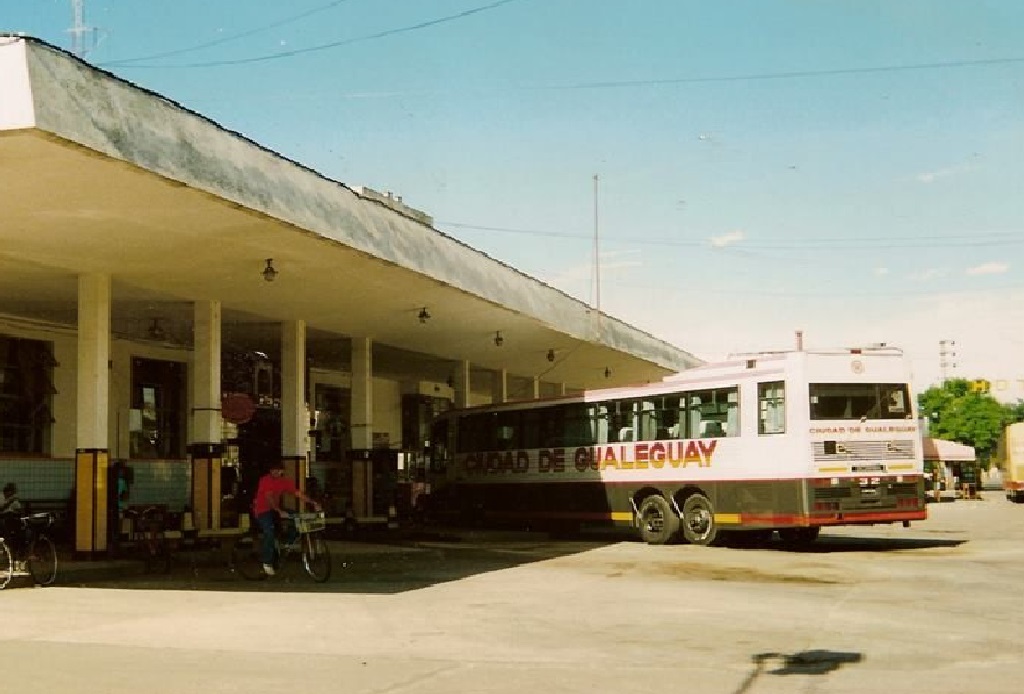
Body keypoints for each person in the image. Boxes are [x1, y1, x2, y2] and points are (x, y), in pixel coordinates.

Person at [253, 460, 320, 576]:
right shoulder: (265, 480)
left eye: (278, 471)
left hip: (276, 509)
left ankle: (287, 543)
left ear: (282, 471)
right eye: (273, 470)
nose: (275, 473)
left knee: (296, 518)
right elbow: (269, 497)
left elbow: (297, 493)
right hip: (262, 511)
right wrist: (279, 511)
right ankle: (267, 562)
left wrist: (312, 502)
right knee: (269, 532)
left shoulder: (284, 482)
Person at [2, 483, 24, 555]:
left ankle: (15, 549)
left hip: (12, 520)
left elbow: (18, 510)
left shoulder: (14, 500)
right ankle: (10, 548)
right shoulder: (4, 499)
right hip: (5, 519)